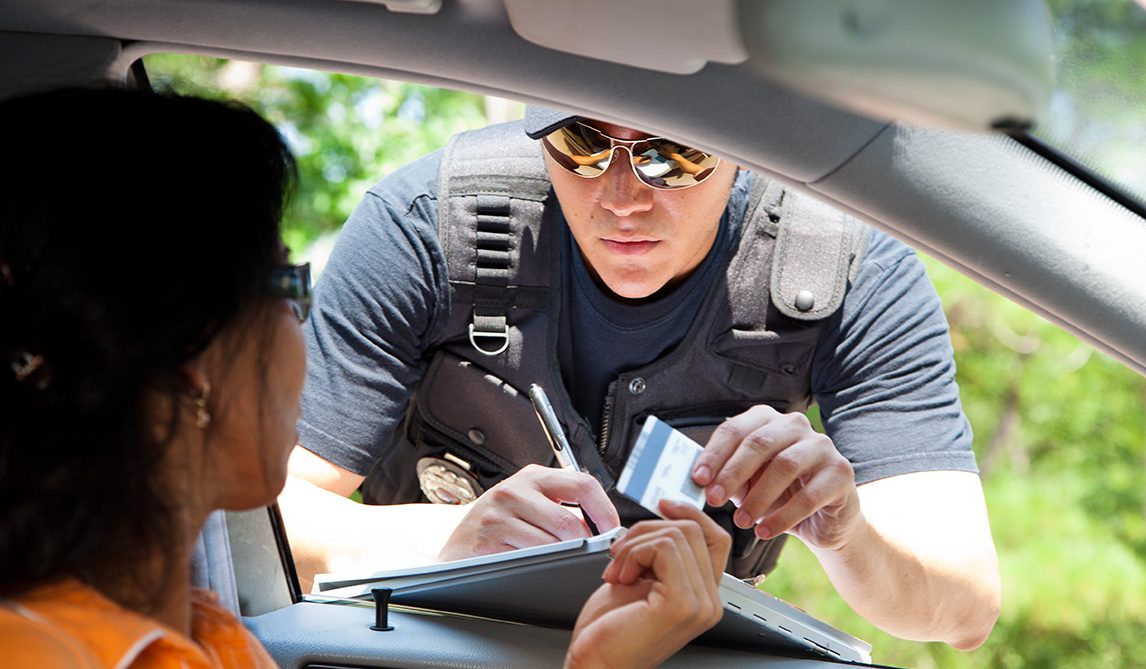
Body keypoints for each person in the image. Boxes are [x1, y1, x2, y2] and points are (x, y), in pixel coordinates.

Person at [0, 87, 730, 669]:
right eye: (284, 285)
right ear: (194, 368)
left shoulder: (204, 633)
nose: (303, 328)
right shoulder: (52, 651)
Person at [284, 107, 1002, 649]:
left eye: (675, 154)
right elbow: (250, 515)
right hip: (432, 646)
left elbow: (963, 606)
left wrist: (847, 535)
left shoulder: (849, 269)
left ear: (746, 144)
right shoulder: (427, 227)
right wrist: (447, 542)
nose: (623, 196)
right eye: (582, 144)